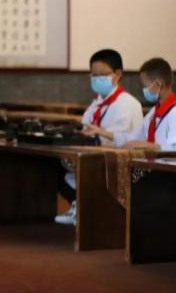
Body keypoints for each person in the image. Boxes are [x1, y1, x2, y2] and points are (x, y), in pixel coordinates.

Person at [54, 49, 143, 226]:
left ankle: (85, 212)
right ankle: (79, 207)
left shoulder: (128, 104)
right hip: (92, 155)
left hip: (116, 162)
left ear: (118, 74)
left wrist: (98, 134)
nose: (97, 79)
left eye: (103, 74)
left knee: (80, 168)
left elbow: (122, 138)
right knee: (55, 167)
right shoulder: (97, 103)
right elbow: (85, 126)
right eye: (94, 75)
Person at [88, 57, 176, 151]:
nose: (144, 90)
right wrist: (102, 132)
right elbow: (133, 138)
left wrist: (153, 146)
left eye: (145, 86)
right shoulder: (154, 111)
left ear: (159, 85)